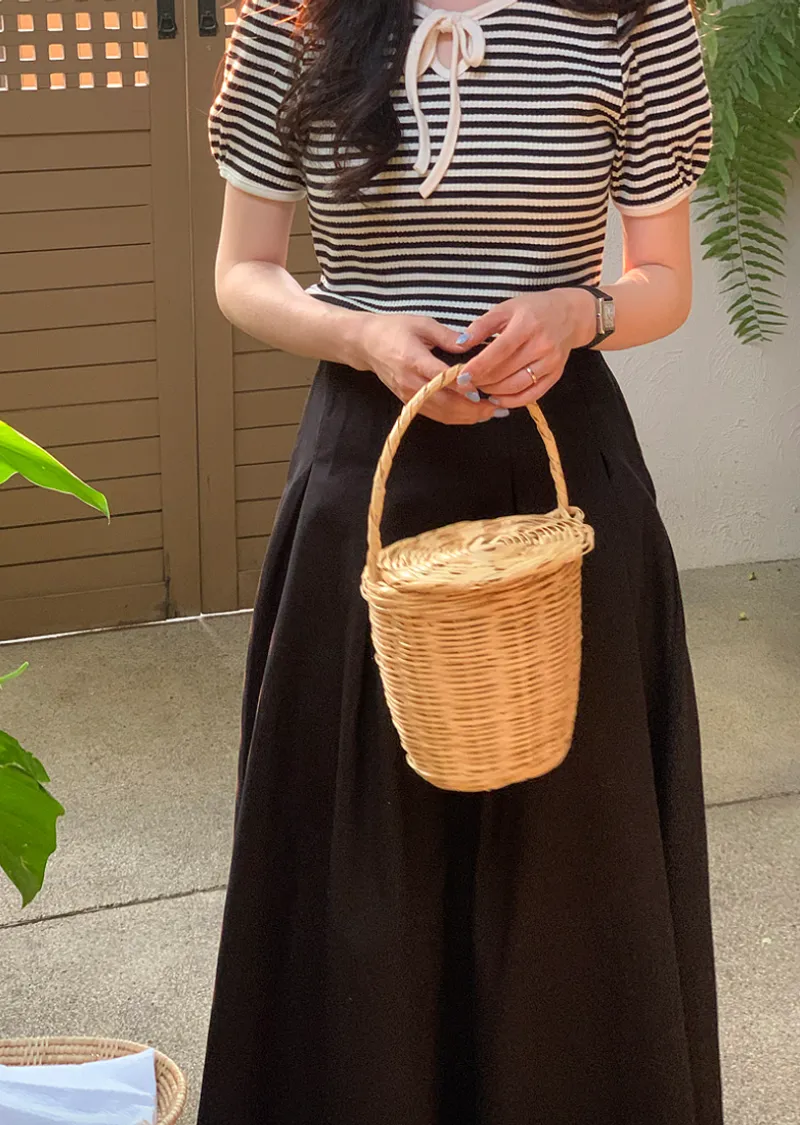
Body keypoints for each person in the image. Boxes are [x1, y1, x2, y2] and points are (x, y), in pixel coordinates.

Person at [197, 0, 723, 1122]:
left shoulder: (633, 19)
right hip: (367, 484)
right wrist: (358, 332)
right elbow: (243, 270)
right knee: (359, 867)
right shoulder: (296, 17)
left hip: (561, 493)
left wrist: (578, 313)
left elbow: (663, 278)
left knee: (575, 871)